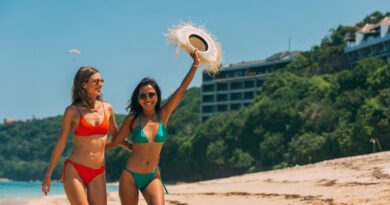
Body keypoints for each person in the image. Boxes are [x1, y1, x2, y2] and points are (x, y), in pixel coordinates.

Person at [106, 50, 200, 204]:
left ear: (157, 95)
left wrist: (195, 64)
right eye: (143, 96)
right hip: (130, 176)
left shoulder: (163, 114)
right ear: (138, 99)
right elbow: (115, 142)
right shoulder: (133, 119)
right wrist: (89, 152)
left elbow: (182, 88)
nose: (147, 99)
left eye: (151, 94)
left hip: (152, 176)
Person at [41, 66, 131, 205]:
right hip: (75, 170)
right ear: (84, 84)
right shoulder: (72, 111)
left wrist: (136, 149)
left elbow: (117, 137)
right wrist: (48, 175)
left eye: (102, 81)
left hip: (98, 172)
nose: (100, 84)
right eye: (95, 81)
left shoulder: (107, 108)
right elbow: (61, 143)